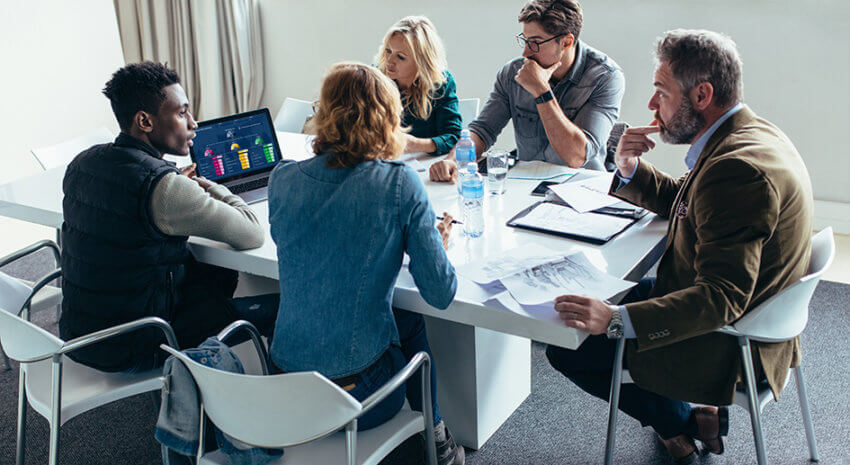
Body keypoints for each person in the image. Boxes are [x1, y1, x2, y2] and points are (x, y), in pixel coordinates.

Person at [545, 30, 814, 463]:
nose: (653, 107)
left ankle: (680, 422)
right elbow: (692, 202)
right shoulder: (749, 133)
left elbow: (720, 299)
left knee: (567, 341)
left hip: (729, 340)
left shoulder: (736, 171)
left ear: (703, 94)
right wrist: (630, 170)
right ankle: (694, 422)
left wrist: (615, 320)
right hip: (753, 308)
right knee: (603, 295)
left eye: (661, 92)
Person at [267, 62, 465, 465]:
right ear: (390, 118)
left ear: (322, 113)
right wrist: (432, 244)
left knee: (391, 316)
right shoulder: (398, 183)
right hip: (360, 397)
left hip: (283, 387)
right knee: (411, 320)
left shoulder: (282, 177)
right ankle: (439, 440)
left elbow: (311, 248)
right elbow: (441, 294)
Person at [60, 62, 278, 373]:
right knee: (283, 307)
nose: (194, 123)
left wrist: (174, 182)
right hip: (144, 340)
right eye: (181, 113)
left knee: (210, 274)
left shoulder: (83, 163)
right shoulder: (165, 187)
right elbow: (252, 233)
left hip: (82, 335)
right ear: (145, 121)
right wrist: (213, 187)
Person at [430, 0, 624, 182]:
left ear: (566, 42)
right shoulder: (512, 73)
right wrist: (453, 160)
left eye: (535, 43)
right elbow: (483, 130)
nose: (525, 53)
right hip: (526, 184)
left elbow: (576, 157)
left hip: (579, 188)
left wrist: (541, 91)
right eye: (525, 40)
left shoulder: (606, 77)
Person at [376, 15, 462, 155]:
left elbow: (453, 137)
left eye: (401, 56)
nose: (389, 61)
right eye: (388, 51)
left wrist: (416, 144)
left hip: (425, 165)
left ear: (421, 62)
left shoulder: (441, 83)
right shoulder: (374, 78)